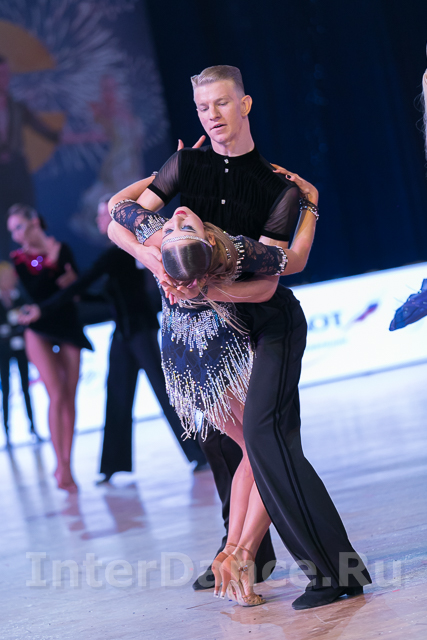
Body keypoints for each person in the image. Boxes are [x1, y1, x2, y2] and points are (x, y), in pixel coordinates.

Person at [108, 65, 371, 609]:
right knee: (223, 444)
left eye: (222, 104)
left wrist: (203, 287)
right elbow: (120, 219)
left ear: (245, 104)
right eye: (204, 108)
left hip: (265, 320)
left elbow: (273, 279)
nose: (213, 116)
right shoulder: (186, 166)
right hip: (208, 331)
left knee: (265, 440)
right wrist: (156, 264)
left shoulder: (278, 189)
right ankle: (248, 554)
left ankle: (293, 562)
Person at [19, 196, 208, 481]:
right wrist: (77, 290)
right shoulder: (117, 254)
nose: (98, 220)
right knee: (117, 395)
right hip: (122, 334)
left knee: (164, 392)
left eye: (102, 215)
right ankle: (111, 466)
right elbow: (101, 296)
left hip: (140, 331)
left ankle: (199, 454)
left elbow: (85, 283)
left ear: (115, 219)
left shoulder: (122, 253)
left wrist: (45, 307)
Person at [7, 204, 92, 491]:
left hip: (67, 324)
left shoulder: (62, 248)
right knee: (55, 394)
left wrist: (69, 280)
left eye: (19, 227)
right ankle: (61, 466)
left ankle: (67, 461)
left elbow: (75, 289)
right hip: (39, 327)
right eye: (12, 230)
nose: (16, 235)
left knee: (69, 396)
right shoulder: (20, 259)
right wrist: (53, 267)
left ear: (34, 222)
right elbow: (37, 292)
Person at [0, 56, 61, 260]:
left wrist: (86, 135)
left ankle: (41, 262)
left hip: (17, 171)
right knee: (2, 228)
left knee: (28, 218)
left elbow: (47, 132)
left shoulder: (17, 107)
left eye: (5, 74)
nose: (3, 79)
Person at [0, 261, 41, 445]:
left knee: (26, 387)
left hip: (21, 347)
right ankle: (7, 432)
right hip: (3, 350)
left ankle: (32, 428)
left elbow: (28, 316)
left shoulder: (19, 297)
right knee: (6, 389)